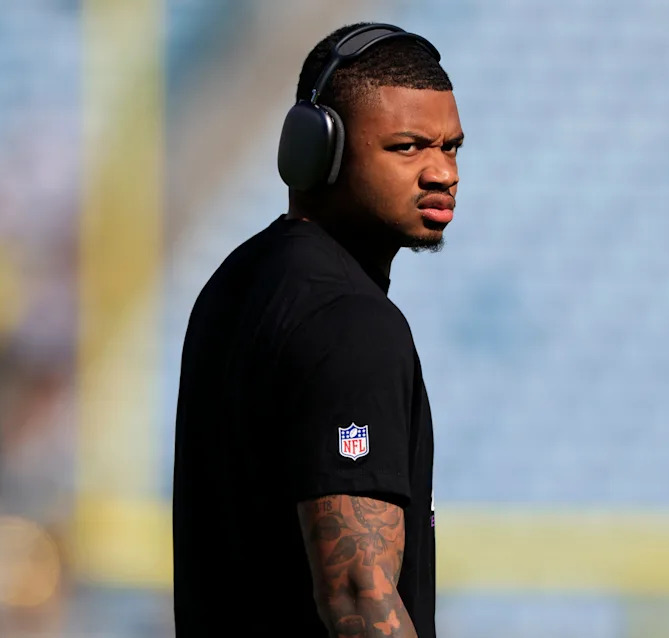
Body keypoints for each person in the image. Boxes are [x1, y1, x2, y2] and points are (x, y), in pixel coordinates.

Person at [172, 22, 462, 638]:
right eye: (407, 147)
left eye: (451, 147)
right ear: (316, 151)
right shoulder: (353, 325)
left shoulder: (235, 283)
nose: (441, 173)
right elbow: (358, 594)